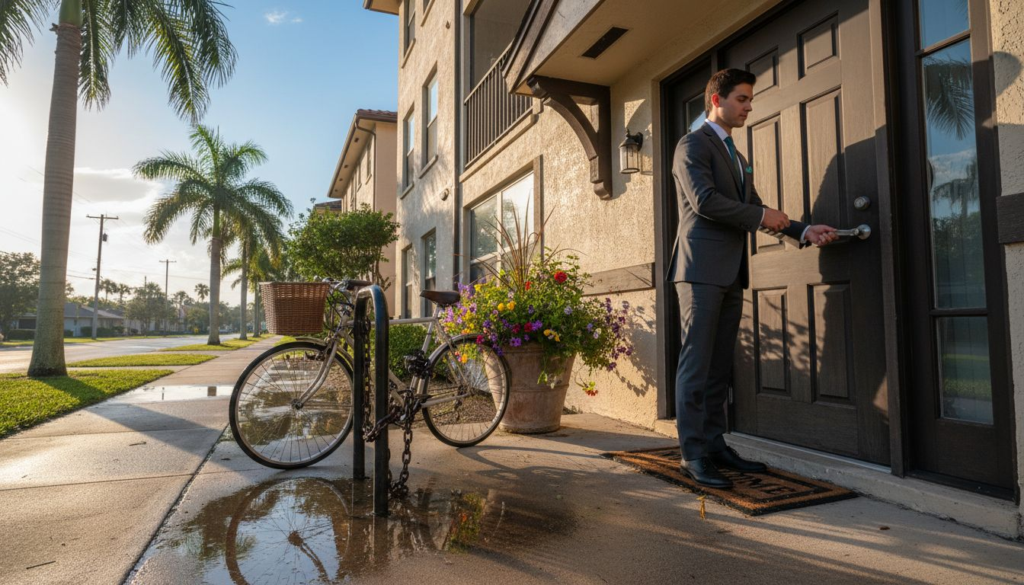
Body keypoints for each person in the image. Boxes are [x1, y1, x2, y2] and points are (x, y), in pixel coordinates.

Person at [667, 68, 839, 489]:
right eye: (742, 99)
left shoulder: (738, 158)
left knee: (718, 365)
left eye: (749, 100)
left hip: (730, 271)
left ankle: (714, 443)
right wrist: (762, 215)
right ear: (717, 100)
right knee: (696, 364)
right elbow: (705, 201)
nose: (748, 107)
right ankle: (692, 453)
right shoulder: (692, 144)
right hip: (699, 270)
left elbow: (756, 208)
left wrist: (802, 230)